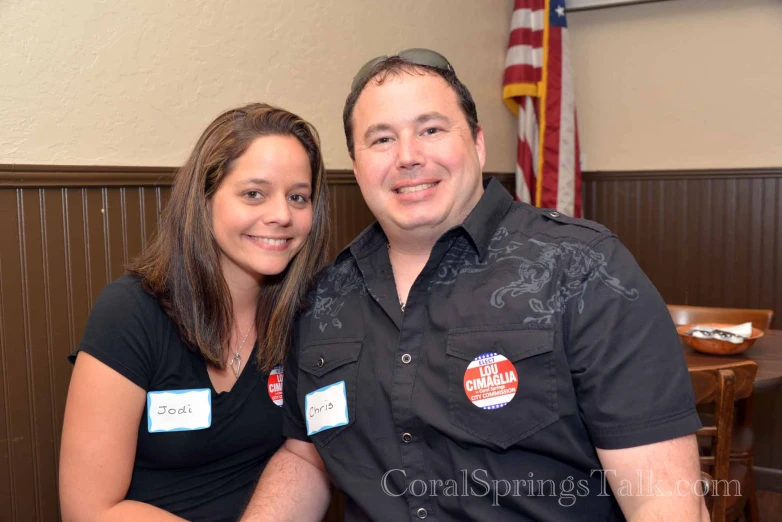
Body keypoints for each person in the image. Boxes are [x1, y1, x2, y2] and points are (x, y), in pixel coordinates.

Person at [242, 50, 708, 521]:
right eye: (382, 139)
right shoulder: (323, 297)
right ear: (357, 166)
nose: (408, 157)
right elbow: (305, 456)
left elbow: (663, 501)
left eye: (431, 130)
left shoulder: (583, 269)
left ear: (478, 144)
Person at [59, 103, 330, 522]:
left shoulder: (312, 314)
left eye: (298, 197)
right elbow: (89, 509)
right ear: (203, 201)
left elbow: (309, 459)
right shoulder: (130, 313)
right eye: (253, 193)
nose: (281, 215)